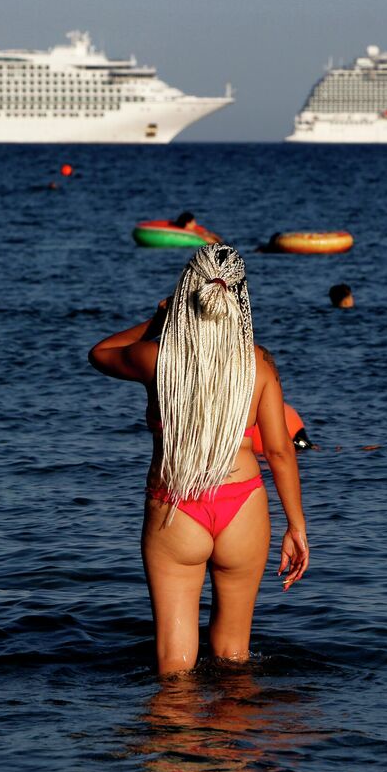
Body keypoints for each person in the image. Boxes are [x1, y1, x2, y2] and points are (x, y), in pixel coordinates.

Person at [89, 245, 309, 675]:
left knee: (174, 668)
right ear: (239, 299)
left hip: (176, 507)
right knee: (233, 659)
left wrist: (158, 321)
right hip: (243, 507)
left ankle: (176, 741)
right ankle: (231, 738)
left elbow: (99, 354)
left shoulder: (157, 358)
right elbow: (280, 451)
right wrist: (296, 526)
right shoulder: (257, 364)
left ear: (188, 293)